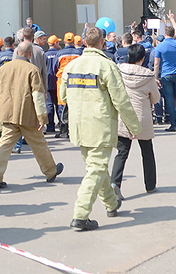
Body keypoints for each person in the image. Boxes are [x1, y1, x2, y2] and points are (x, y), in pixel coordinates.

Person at [60, 28, 142, 232]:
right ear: (102, 43)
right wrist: (134, 126)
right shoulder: (107, 66)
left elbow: (63, 95)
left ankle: (112, 203)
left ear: (85, 42)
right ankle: (80, 214)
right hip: (100, 126)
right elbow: (121, 100)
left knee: (97, 167)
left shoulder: (71, 66)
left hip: (79, 126)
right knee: (96, 169)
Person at [0, 41, 64, 188]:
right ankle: (50, 171)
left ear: (16, 53)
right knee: (38, 144)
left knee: (3, 146)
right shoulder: (32, 70)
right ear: (30, 54)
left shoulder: (3, 69)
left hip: (9, 114)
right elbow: (38, 96)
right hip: (27, 115)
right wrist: (42, 117)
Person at [110, 43, 158, 193]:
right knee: (147, 152)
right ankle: (150, 185)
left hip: (124, 115)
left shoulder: (118, 70)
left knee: (122, 152)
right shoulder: (148, 75)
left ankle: (115, 183)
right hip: (142, 116)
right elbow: (155, 98)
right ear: (143, 58)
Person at [153, 10, 176, 132]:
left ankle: (173, 124)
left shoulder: (160, 46)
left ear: (164, 34)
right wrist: (172, 19)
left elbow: (156, 63)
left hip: (166, 74)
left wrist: (156, 77)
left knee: (169, 99)